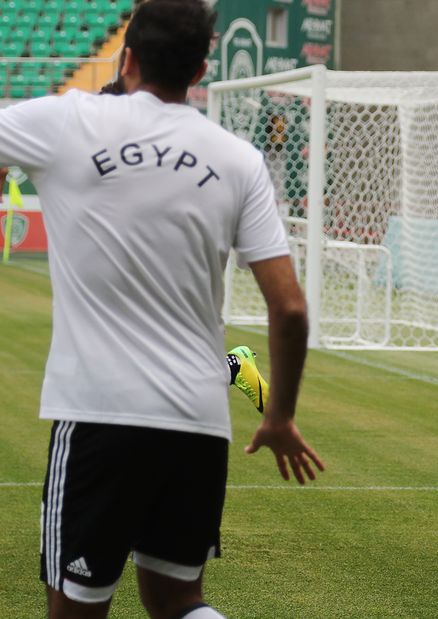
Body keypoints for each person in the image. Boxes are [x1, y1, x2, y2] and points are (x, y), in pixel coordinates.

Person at [0, 1, 324, 617]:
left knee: (74, 609)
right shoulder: (239, 159)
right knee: (177, 600)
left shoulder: (67, 120)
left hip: (99, 413)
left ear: (127, 58)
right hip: (198, 421)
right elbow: (289, 309)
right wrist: (279, 415)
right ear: (201, 70)